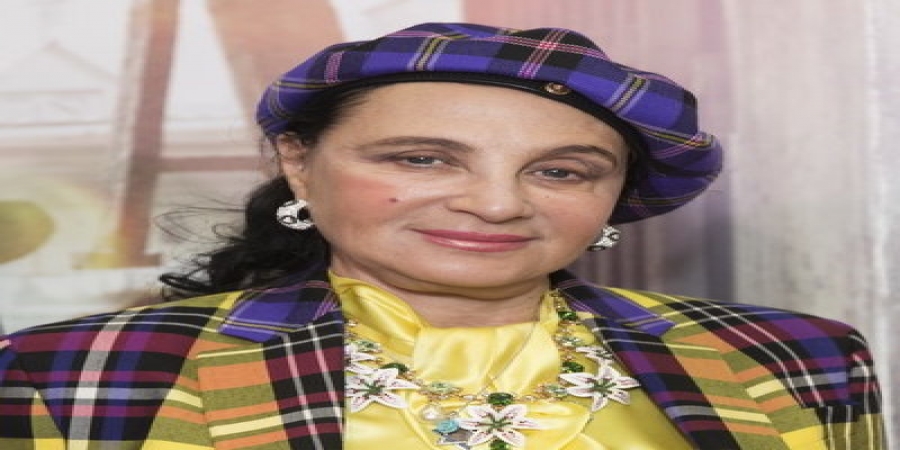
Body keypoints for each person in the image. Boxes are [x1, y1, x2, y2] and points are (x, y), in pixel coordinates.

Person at [0, 22, 883, 450]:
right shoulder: (74, 374)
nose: (496, 205)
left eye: (561, 171)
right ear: (299, 164)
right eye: (423, 159)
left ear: (614, 197)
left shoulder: (792, 359)